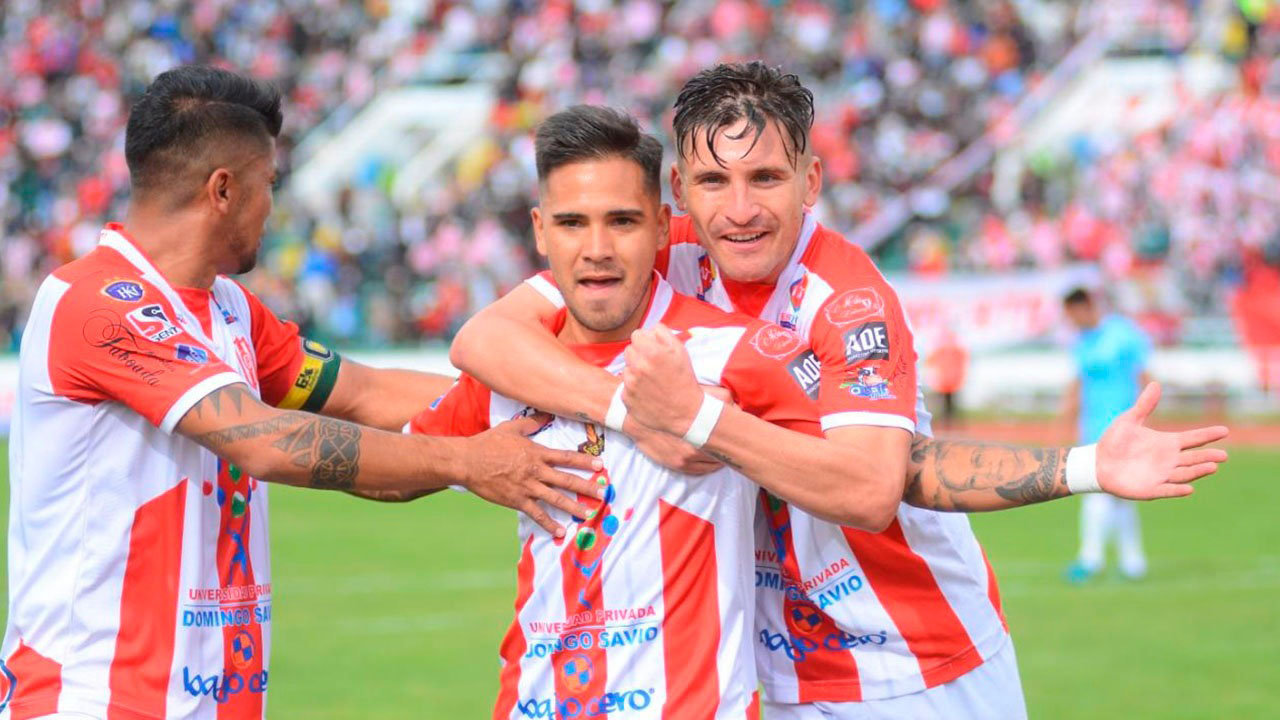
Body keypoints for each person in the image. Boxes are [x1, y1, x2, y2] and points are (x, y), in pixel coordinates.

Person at [450, 64, 1228, 720]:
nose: (740, 209)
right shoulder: (656, 249)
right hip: (784, 677)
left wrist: (694, 418)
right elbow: (484, 339)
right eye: (715, 181)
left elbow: (872, 487)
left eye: (766, 178)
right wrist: (626, 410)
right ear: (679, 191)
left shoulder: (848, 301)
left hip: (921, 671)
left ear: (811, 181)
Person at [0, 66, 605, 720]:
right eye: (269, 183)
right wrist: (466, 461)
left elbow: (365, 392)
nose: (273, 206)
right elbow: (263, 440)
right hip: (92, 702)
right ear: (223, 190)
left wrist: (570, 407)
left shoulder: (229, 309)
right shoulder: (95, 303)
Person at [1062, 287, 1154, 582]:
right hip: (1092, 427)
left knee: (1101, 491)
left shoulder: (1123, 334)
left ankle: (1092, 559)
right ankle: (1132, 562)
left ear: (1086, 306)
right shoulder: (1082, 342)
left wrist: (1146, 419)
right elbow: (1079, 382)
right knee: (1115, 494)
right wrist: (1067, 418)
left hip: (1123, 427)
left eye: (1073, 314)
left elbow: (1144, 376)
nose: (1072, 321)